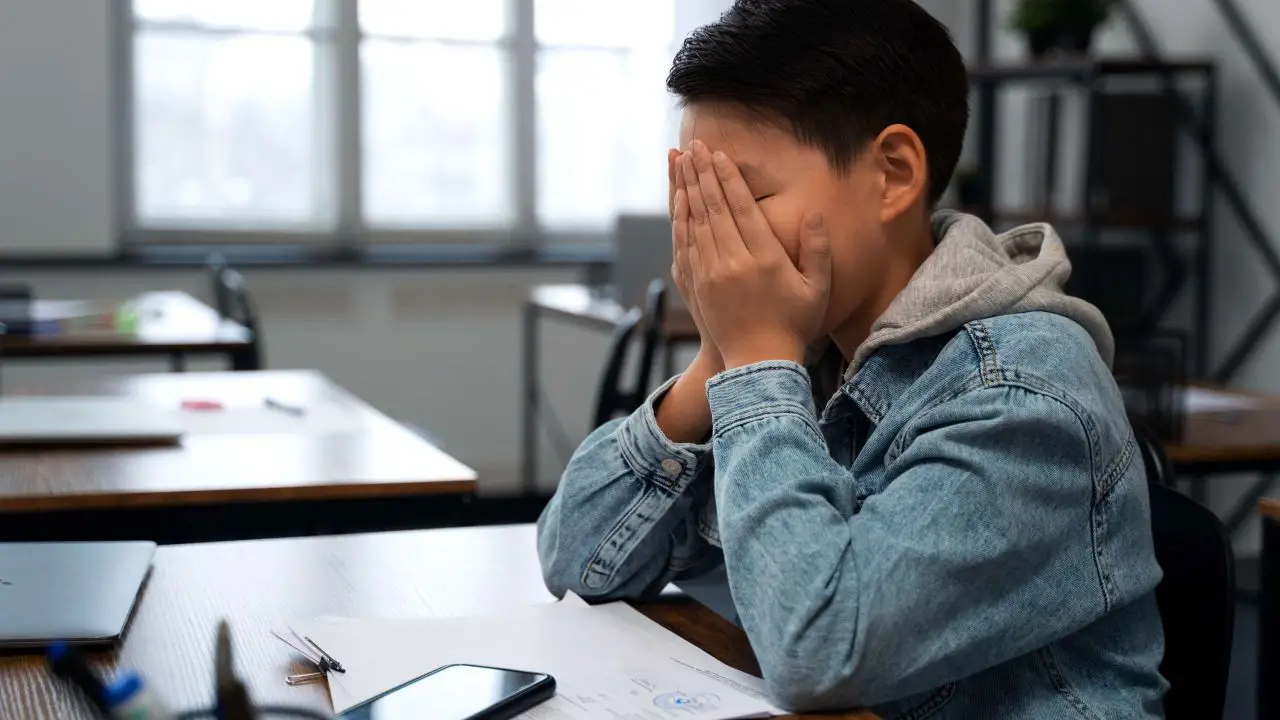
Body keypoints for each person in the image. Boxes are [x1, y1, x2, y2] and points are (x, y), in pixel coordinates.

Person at [536, 0, 1167, 716]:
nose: (710, 237)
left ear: (893, 175)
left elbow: (821, 649)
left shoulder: (1025, 392)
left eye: (741, 196)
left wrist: (753, 360)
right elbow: (576, 559)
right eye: (696, 199)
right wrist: (716, 363)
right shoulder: (811, 348)